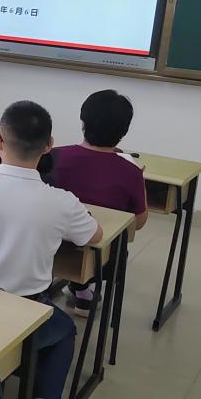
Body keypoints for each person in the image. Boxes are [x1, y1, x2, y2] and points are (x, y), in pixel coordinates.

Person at [0, 101, 103, 399]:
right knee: (64, 330)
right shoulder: (61, 202)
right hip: (23, 313)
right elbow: (95, 235)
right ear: (48, 146)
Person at [52, 90, 148, 317]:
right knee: (105, 241)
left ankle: (76, 287)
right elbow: (138, 223)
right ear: (123, 132)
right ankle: (85, 291)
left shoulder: (52, 156)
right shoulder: (130, 171)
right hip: (101, 257)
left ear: (83, 122)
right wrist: (140, 182)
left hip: (48, 244)